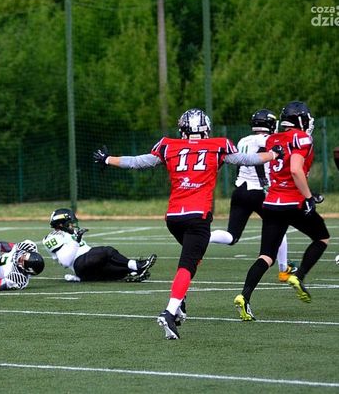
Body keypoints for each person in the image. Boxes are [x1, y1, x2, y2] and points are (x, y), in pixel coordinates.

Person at [93, 108, 282, 339]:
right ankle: (169, 312)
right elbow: (247, 160)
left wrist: (108, 159)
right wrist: (273, 154)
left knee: (193, 258)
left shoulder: (169, 145)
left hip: (174, 217)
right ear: (206, 129)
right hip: (197, 216)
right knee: (187, 265)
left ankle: (180, 302)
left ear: (182, 129)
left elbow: (138, 162)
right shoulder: (217, 145)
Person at [234, 101, 330, 321]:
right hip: (293, 202)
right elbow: (295, 169)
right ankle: (299, 275)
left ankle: (244, 296)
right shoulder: (302, 138)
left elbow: (277, 169)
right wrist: (308, 197)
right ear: (300, 120)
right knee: (322, 238)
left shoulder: (272, 139)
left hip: (272, 202)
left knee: (266, 256)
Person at [209, 109, 295, 282]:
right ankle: (284, 269)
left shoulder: (243, 140)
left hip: (240, 190)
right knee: (279, 226)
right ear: (270, 124)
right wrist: (265, 183)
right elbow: (260, 160)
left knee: (232, 236)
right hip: (259, 191)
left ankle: (204, 237)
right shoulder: (268, 140)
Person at [42, 208, 157, 282]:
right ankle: (137, 265)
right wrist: (75, 241)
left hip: (87, 269)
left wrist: (76, 240)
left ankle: (134, 273)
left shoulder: (71, 233)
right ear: (60, 224)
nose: (73, 225)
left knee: (116, 270)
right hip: (80, 264)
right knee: (107, 251)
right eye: (70, 223)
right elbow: (65, 262)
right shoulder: (53, 237)